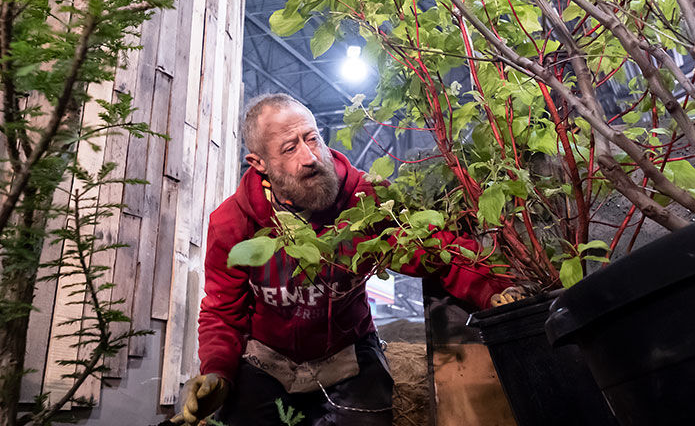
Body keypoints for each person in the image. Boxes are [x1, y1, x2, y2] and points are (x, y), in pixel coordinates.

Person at [174, 93, 517, 425]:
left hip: (347, 352)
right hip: (267, 358)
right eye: (290, 148)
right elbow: (223, 310)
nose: (310, 157)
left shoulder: (364, 200)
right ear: (259, 163)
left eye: (312, 138)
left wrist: (495, 290)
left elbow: (432, 250)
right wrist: (217, 371)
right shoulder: (233, 222)